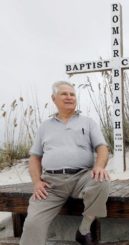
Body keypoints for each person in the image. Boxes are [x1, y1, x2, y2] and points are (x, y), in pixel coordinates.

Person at [20, 81, 110, 245]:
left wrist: (98, 166)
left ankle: (84, 229)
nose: (69, 97)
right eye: (64, 94)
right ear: (53, 98)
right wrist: (36, 182)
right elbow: (34, 158)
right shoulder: (44, 126)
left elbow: (102, 148)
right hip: (51, 184)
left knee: (101, 179)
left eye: (72, 94)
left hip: (82, 177)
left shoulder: (88, 122)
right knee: (32, 223)